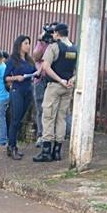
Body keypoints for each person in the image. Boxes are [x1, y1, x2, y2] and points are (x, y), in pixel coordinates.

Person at [35, 22, 77, 163]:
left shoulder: (54, 47)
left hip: (54, 85)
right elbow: (78, 69)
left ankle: (46, 151)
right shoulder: (75, 48)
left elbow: (46, 67)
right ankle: (57, 151)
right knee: (61, 118)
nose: (52, 35)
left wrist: (59, 80)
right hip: (68, 87)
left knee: (48, 116)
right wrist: (71, 80)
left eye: (53, 33)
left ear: (57, 33)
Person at [4, 35, 36, 160]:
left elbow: (34, 71)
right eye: (26, 43)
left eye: (29, 43)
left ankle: (12, 145)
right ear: (19, 45)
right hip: (17, 90)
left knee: (20, 120)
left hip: (28, 90)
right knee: (15, 120)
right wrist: (16, 78)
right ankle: (12, 146)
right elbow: (6, 77)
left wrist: (37, 74)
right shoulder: (13, 60)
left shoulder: (29, 60)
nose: (28, 46)